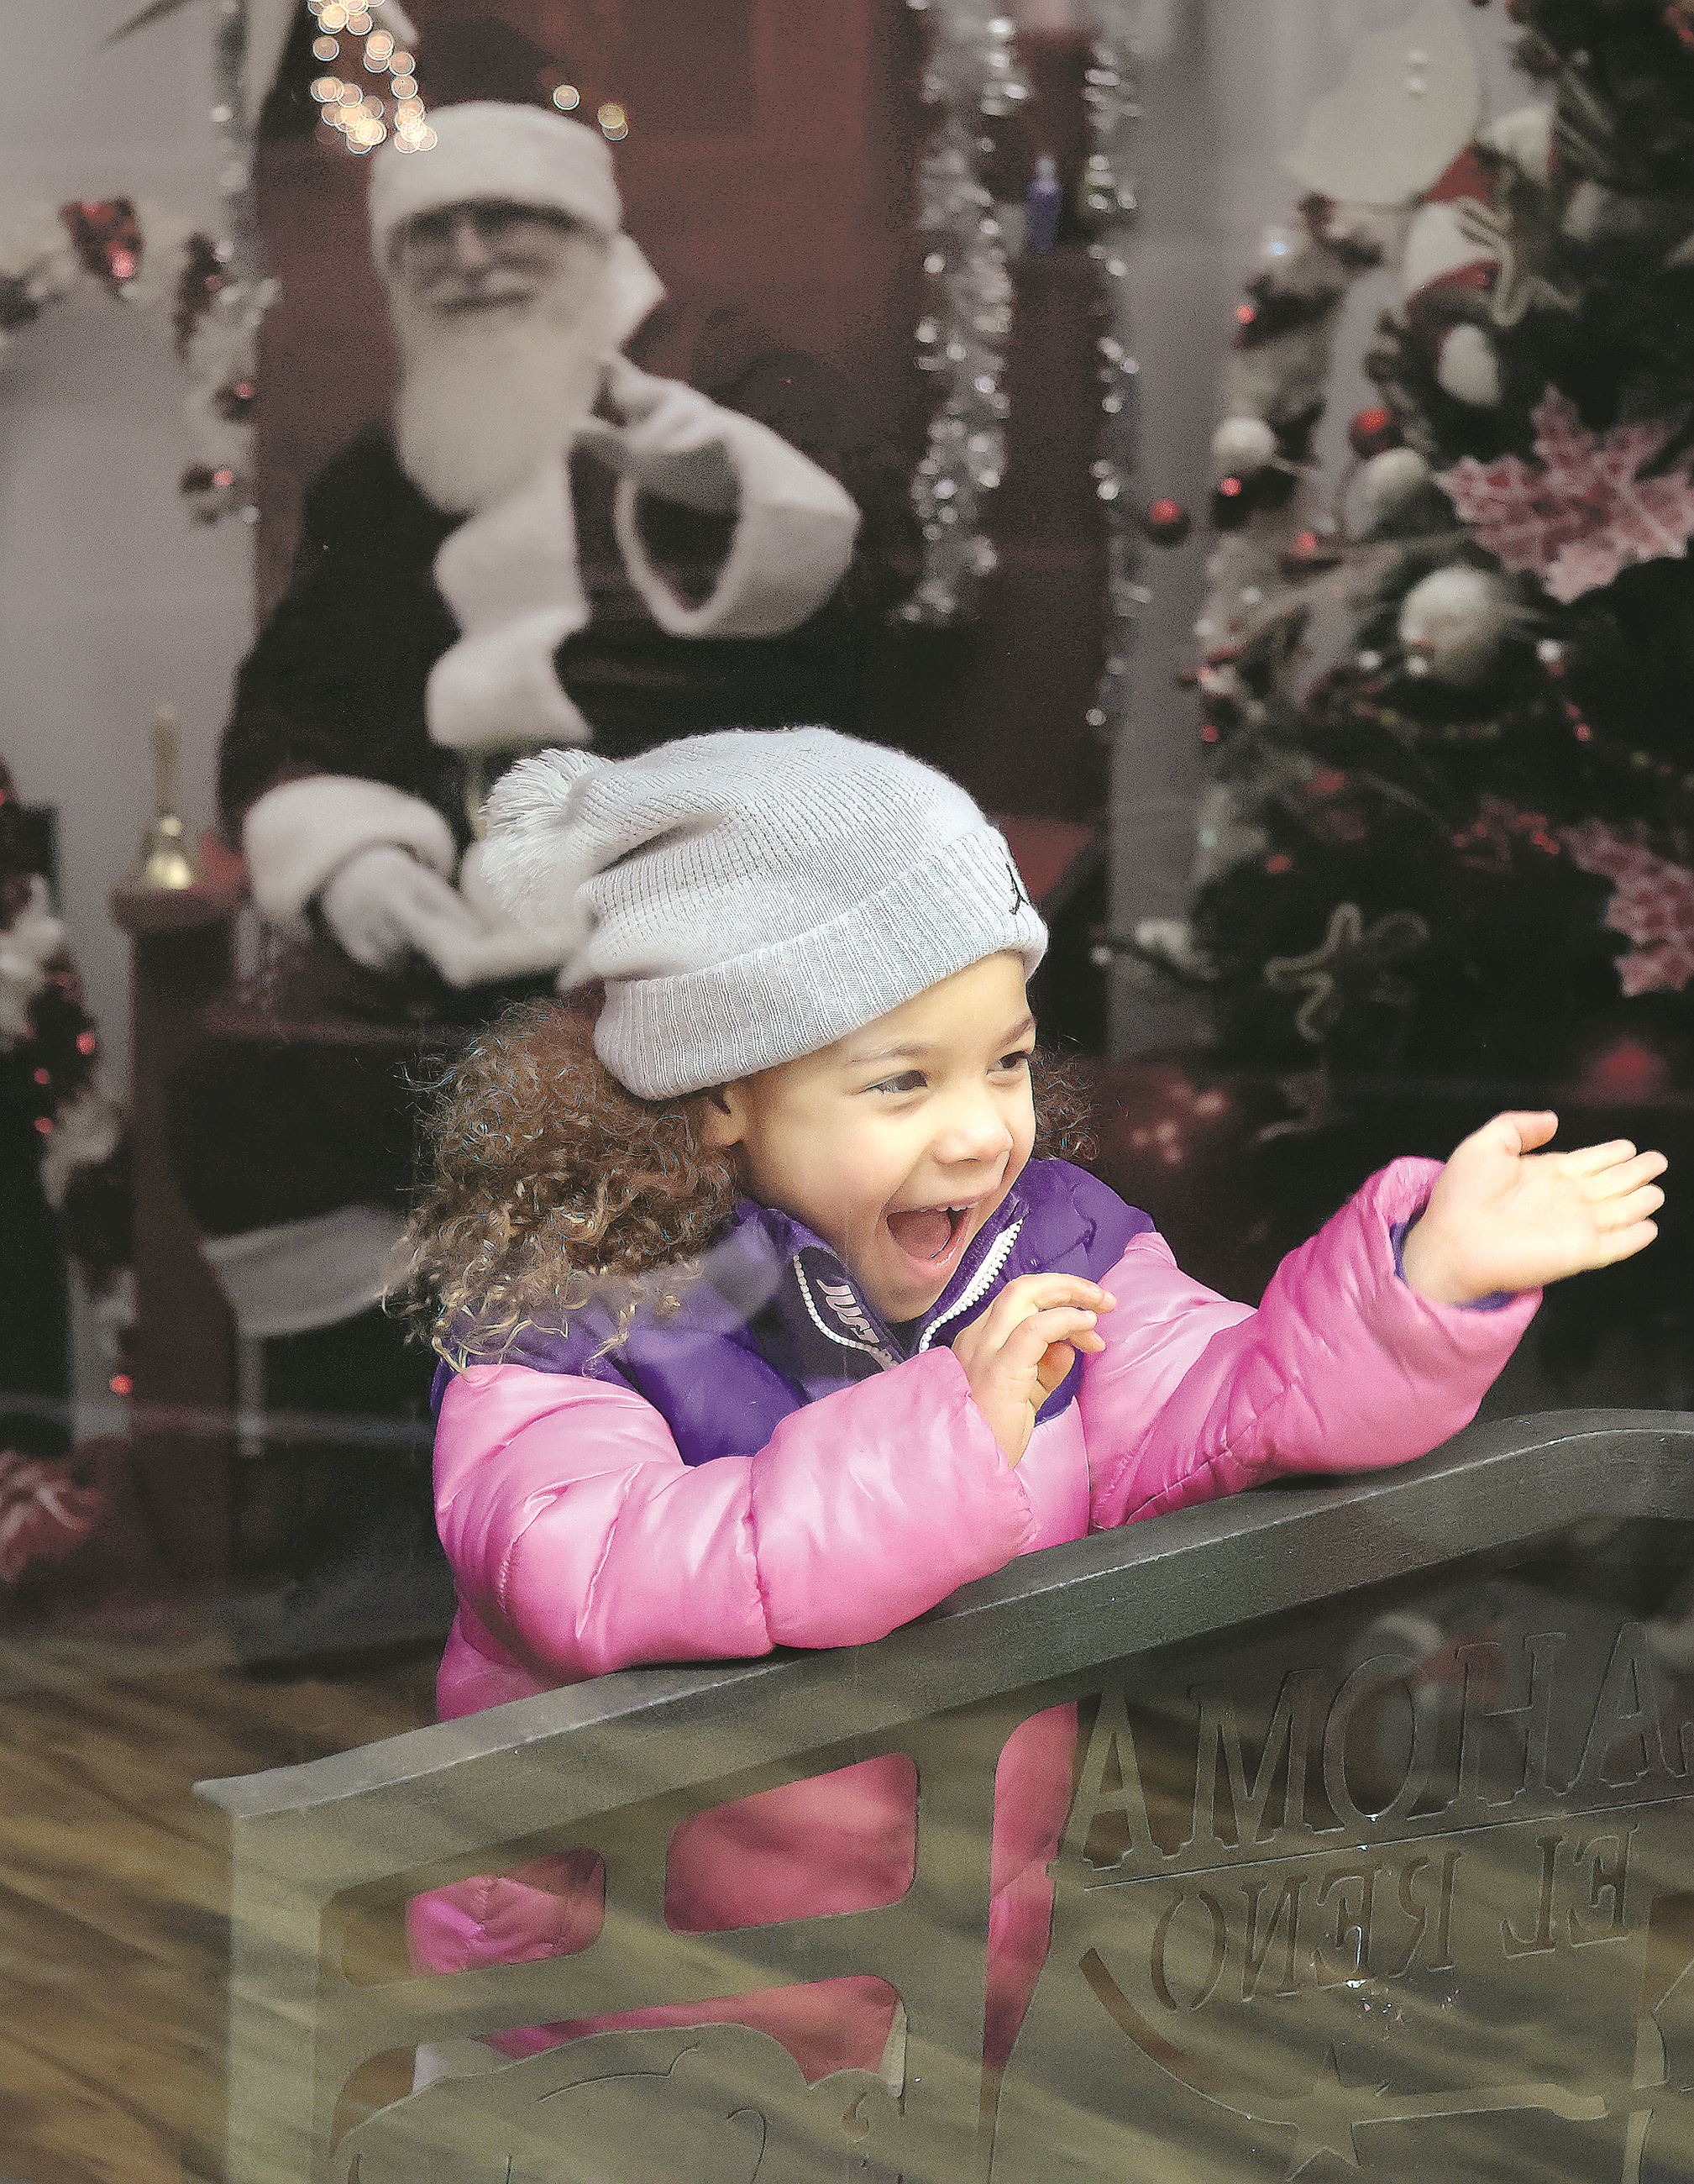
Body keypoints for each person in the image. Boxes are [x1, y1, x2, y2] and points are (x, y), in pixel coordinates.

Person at [401, 726, 1666, 2083]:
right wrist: (951, 1428)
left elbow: (1231, 1404)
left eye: (1001, 1064)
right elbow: (584, 1572)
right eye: (901, 1080)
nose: (979, 1130)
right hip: (602, 2020)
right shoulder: (576, 1317)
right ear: (719, 1093)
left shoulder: (1047, 1250)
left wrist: (1418, 1282)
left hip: (924, 1976)